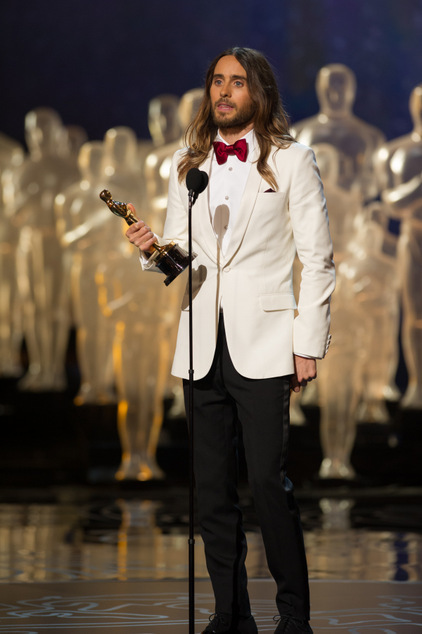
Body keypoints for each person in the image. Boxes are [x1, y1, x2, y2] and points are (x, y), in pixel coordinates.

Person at [126, 47, 335, 634]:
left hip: (266, 342)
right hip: (200, 344)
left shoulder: (292, 161)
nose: (223, 92)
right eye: (217, 82)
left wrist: (308, 343)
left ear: (258, 92)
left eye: (236, 83)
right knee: (211, 490)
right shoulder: (187, 163)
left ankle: (293, 616)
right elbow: (181, 256)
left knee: (269, 484)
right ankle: (231, 613)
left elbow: (318, 260)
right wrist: (153, 251)